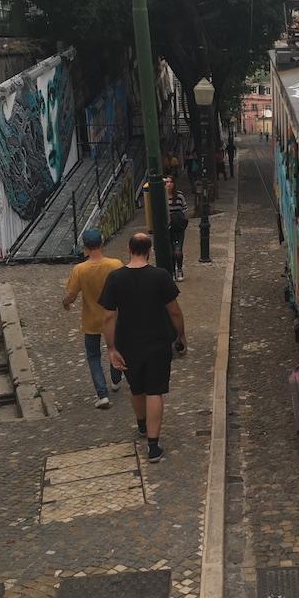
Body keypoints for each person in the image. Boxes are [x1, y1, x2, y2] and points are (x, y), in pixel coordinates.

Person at [99, 233, 186, 463]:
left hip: (127, 342)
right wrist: (181, 335)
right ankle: (154, 446)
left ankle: (141, 424)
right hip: (157, 341)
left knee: (136, 388)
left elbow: (108, 316)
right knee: (155, 391)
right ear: (150, 251)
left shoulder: (115, 278)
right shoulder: (160, 276)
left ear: (129, 249)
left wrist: (111, 348)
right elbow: (174, 311)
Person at [63, 228, 123, 409]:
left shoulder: (80, 269)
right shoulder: (115, 264)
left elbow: (71, 295)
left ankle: (102, 394)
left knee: (93, 356)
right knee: (116, 347)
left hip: (91, 320)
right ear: (102, 243)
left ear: (85, 247)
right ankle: (115, 379)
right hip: (113, 318)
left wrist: (65, 303)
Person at [165, 175, 189, 282]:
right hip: (167, 227)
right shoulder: (163, 197)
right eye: (167, 182)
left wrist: (184, 222)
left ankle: (179, 269)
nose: (169, 184)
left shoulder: (179, 196)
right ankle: (173, 271)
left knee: (178, 250)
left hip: (178, 226)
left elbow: (185, 209)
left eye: (170, 182)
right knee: (170, 251)